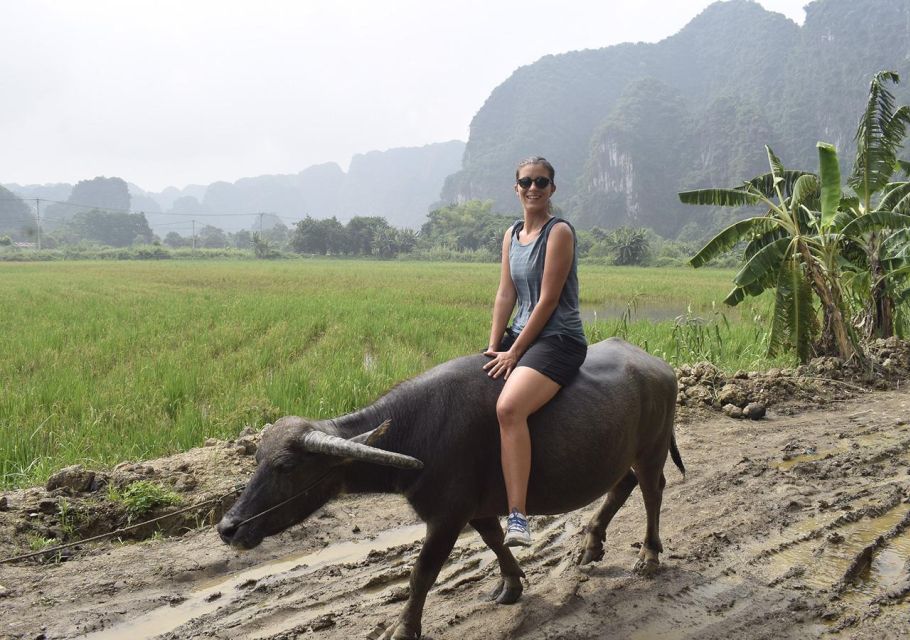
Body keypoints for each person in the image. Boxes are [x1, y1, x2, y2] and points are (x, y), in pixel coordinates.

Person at [483, 156, 587, 547]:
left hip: (557, 339)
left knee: (509, 408)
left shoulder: (558, 232)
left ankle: (518, 517)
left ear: (551, 189)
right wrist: (494, 347)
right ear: (516, 187)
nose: (533, 188)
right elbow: (505, 293)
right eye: (526, 181)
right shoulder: (511, 235)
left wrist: (515, 353)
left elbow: (548, 300)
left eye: (541, 182)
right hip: (518, 335)